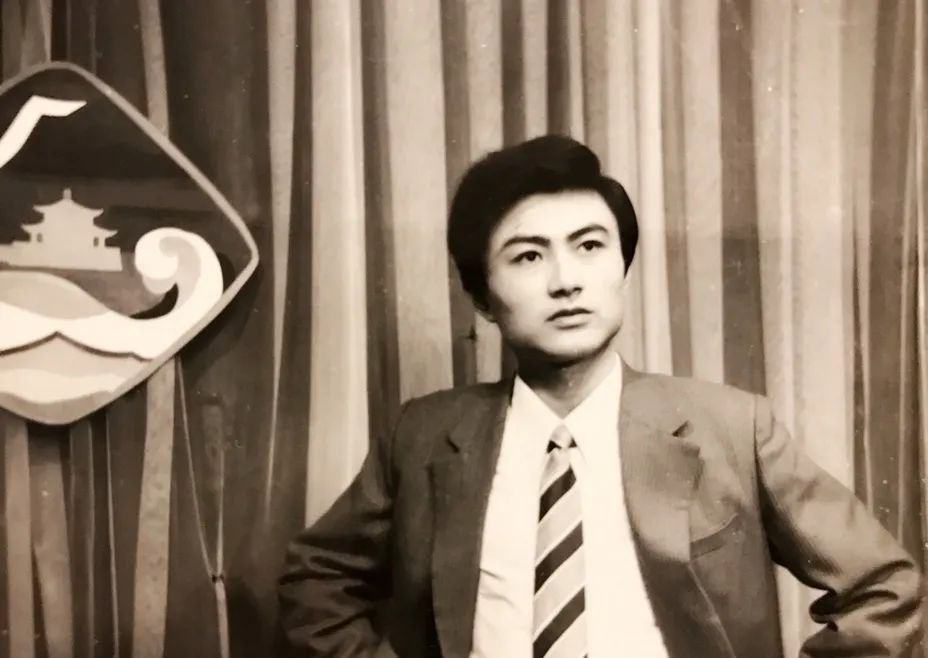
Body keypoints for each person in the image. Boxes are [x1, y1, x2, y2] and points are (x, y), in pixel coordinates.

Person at [278, 135, 923, 657]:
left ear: (621, 268)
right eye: (528, 257)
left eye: (590, 246)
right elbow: (314, 581)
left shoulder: (730, 427)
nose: (567, 281)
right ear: (483, 298)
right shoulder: (423, 437)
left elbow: (883, 587)